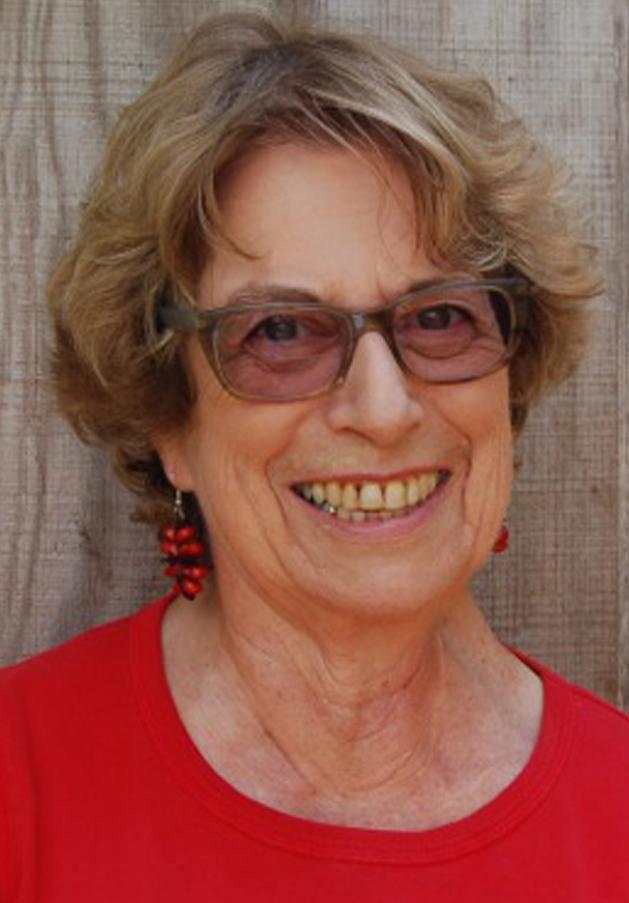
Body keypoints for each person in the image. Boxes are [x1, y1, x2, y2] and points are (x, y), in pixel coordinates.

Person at [1, 10, 627, 901]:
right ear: (167, 416)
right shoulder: (19, 783)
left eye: (440, 316)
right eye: (280, 331)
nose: (383, 409)